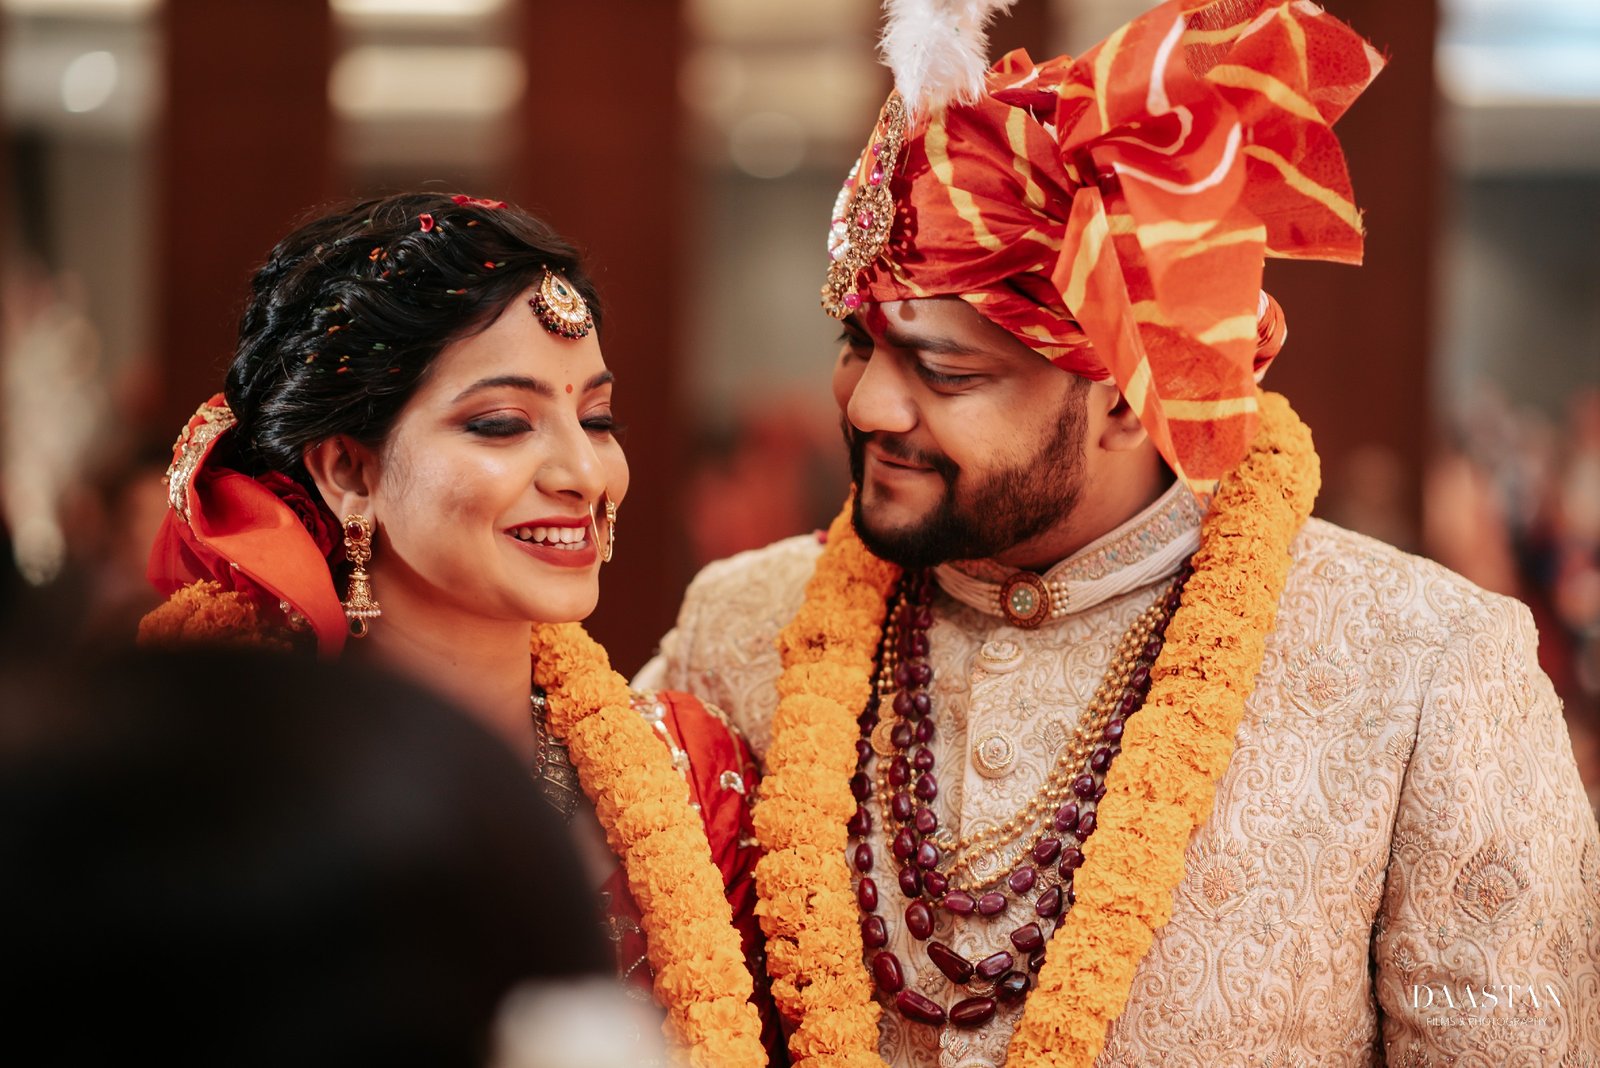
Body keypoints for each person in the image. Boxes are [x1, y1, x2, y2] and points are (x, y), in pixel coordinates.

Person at [637, 1, 1600, 1065]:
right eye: (858, 344)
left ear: (1136, 396)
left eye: (945, 372)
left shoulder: (1423, 667)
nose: (866, 407)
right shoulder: (737, 627)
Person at [138, 192, 774, 1066]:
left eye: (595, 419)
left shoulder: (695, 775)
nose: (584, 473)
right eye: (503, 424)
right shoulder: (219, 788)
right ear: (349, 472)